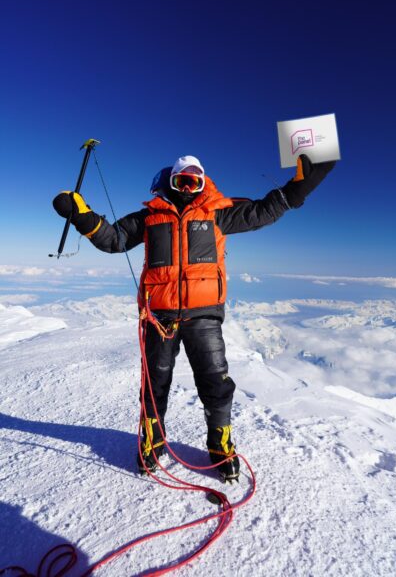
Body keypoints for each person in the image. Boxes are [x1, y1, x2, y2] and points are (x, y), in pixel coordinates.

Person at [53, 153, 335, 482]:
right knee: (154, 383)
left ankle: (220, 445)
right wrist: (83, 217)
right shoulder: (149, 217)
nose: (188, 188)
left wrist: (298, 188)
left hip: (204, 316)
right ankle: (152, 441)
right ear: (170, 182)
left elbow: (263, 212)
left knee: (215, 381)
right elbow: (114, 239)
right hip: (160, 316)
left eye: (194, 181)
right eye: (181, 181)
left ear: (203, 183)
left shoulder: (218, 213)